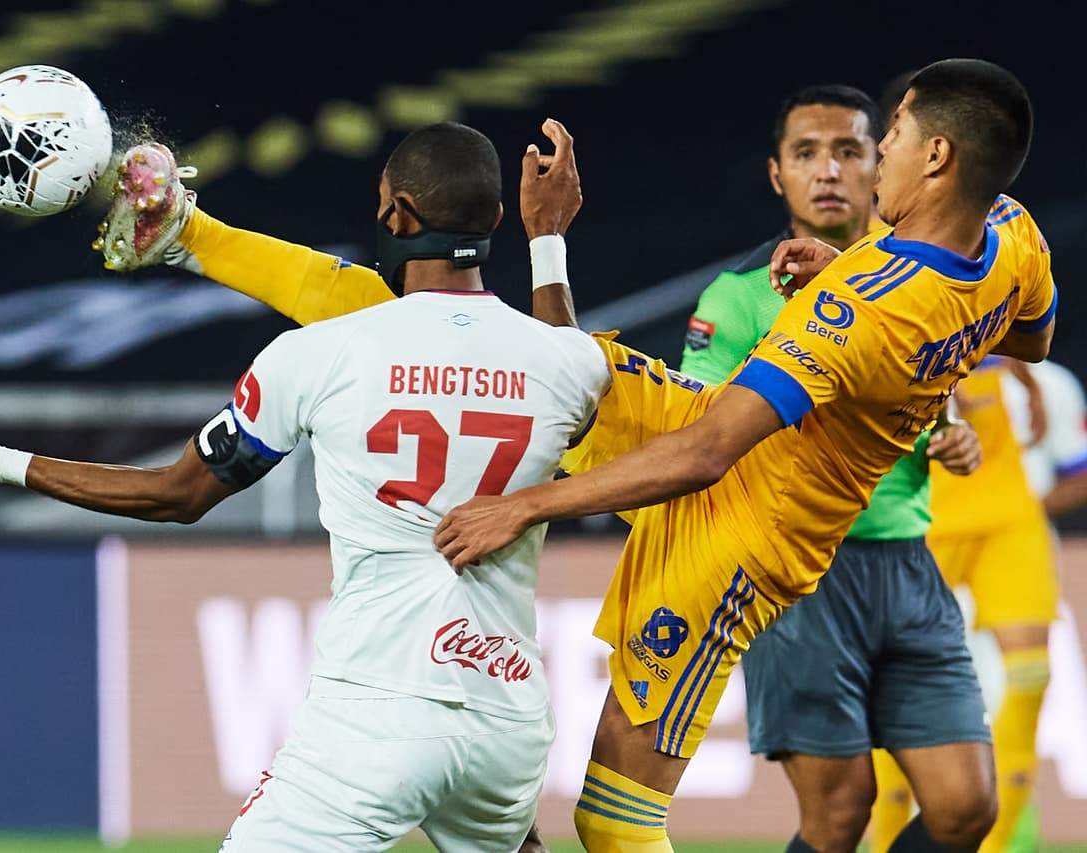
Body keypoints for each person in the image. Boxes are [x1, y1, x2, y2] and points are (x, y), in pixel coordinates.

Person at [0, 122, 613, 853]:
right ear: (497, 220)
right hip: (508, 721)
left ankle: (192, 231)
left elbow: (175, 494)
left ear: (397, 213)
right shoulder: (567, 364)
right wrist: (548, 243)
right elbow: (565, 370)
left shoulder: (317, 353)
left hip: (378, 714)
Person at [432, 58, 1055, 853]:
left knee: (620, 822)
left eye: (886, 136)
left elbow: (705, 449)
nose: (864, 165)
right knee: (831, 813)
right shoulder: (1009, 230)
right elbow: (1029, 335)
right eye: (810, 153)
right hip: (771, 515)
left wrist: (521, 504)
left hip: (753, 536)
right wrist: (878, 289)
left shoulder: (858, 309)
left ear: (934, 157)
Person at [679, 83, 994, 853]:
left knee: (966, 807)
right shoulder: (740, 296)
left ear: (882, 163)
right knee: (840, 812)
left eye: (849, 150)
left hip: (910, 566)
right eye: (806, 153)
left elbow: (913, 400)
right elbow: (696, 430)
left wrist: (950, 436)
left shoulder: (921, 284)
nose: (828, 171)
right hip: (801, 577)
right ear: (776, 175)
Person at [872, 357, 1087, 853]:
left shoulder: (1044, 377)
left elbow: (1075, 470)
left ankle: (1001, 843)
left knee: (1026, 680)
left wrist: (1027, 380)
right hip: (926, 525)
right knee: (896, 681)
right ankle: (887, 839)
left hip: (1010, 527)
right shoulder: (903, 357)